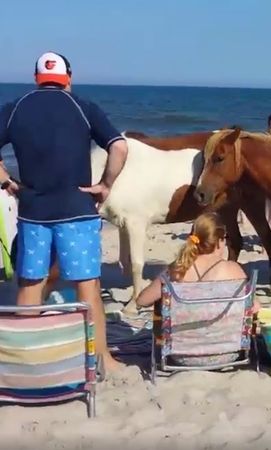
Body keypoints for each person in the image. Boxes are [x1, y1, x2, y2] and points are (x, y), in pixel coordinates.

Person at [0, 51, 129, 374]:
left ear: (35, 78)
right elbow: (119, 146)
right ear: (68, 78)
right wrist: (105, 184)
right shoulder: (83, 107)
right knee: (88, 286)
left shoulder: (15, 109)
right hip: (77, 211)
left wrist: (7, 182)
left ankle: (26, 362)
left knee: (31, 285)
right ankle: (103, 361)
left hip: (33, 213)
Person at [136, 212, 252, 308]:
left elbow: (142, 300)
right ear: (219, 242)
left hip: (182, 336)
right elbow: (253, 307)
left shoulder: (178, 268)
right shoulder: (233, 270)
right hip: (225, 335)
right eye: (225, 238)